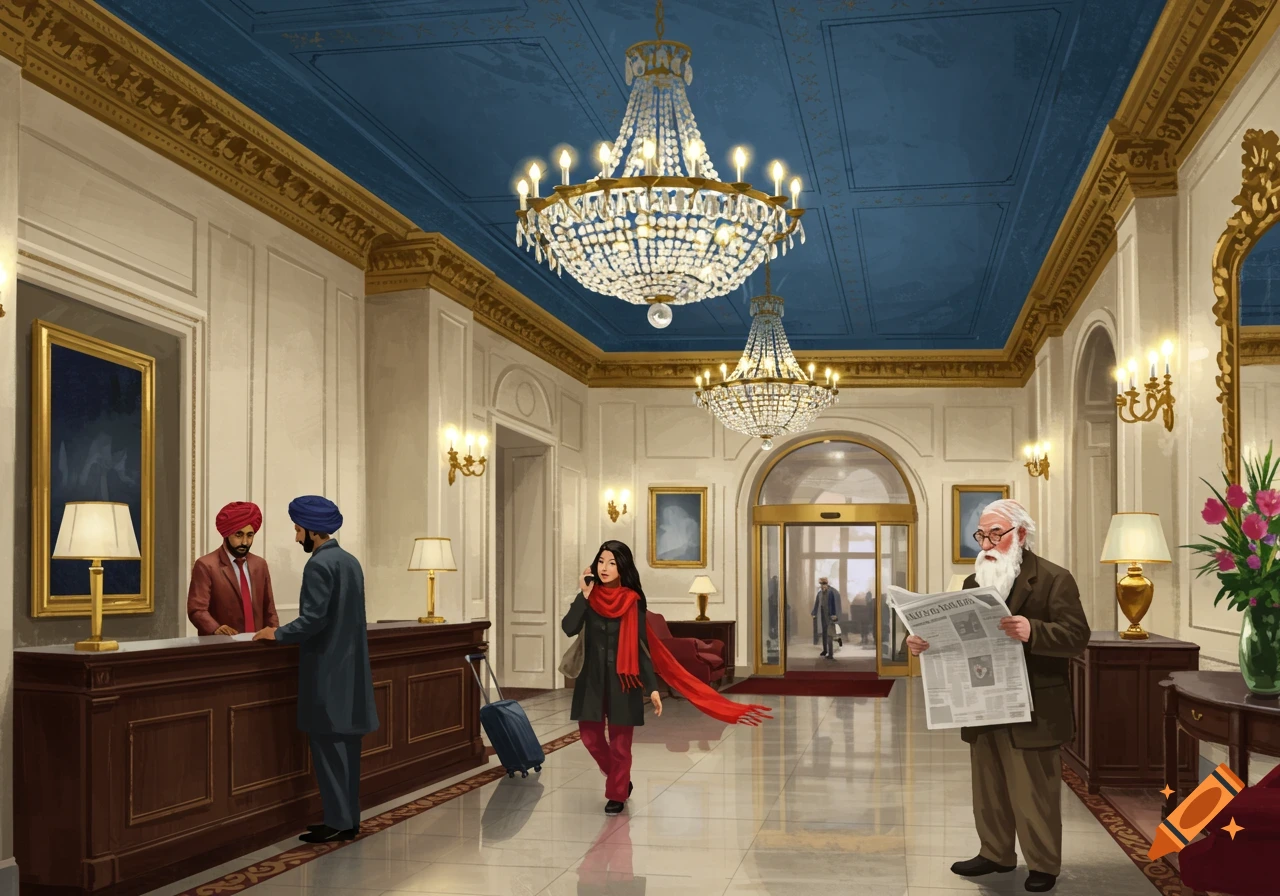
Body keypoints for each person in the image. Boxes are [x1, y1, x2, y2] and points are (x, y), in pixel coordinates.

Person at [906, 499, 1088, 893]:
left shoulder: (1055, 579)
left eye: (995, 534)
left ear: (1021, 535)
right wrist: (925, 642)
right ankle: (995, 853)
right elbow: (959, 639)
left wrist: (1033, 630)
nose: (986, 544)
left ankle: (1042, 864)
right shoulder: (974, 584)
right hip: (982, 701)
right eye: (981, 535)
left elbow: (1077, 637)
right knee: (988, 786)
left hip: (1035, 704)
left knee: (1034, 791)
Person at [562, 540, 770, 815]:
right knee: (590, 738)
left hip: (625, 681)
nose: (604, 568)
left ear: (622, 567)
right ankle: (620, 780)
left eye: (612, 563)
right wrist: (584, 595)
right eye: (601, 561)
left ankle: (617, 793)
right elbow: (568, 628)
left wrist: (653, 687)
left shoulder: (632, 602)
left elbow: (642, 647)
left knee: (621, 744)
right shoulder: (590, 598)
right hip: (591, 681)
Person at [253, 495, 377, 844]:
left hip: (327, 674)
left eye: (297, 529)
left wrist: (276, 633)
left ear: (312, 530)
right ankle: (348, 819)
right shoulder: (350, 562)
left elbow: (313, 620)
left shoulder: (319, 565)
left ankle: (337, 822)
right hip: (351, 674)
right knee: (348, 754)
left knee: (329, 752)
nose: (296, 538)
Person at [187, 501, 279, 635]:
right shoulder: (206, 565)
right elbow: (197, 610)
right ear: (227, 533)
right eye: (238, 534)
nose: (245, 542)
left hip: (257, 645)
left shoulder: (260, 564)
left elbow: (269, 609)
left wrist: (274, 633)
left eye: (250, 535)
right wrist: (215, 628)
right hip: (222, 647)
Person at [811, 577, 841, 659]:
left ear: (827, 584)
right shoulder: (819, 594)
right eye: (821, 584)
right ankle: (825, 650)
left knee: (829, 634)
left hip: (830, 616)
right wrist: (814, 613)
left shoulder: (831, 593)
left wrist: (834, 615)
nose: (823, 586)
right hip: (822, 616)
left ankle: (830, 654)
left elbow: (833, 604)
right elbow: (816, 604)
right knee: (824, 633)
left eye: (824, 584)